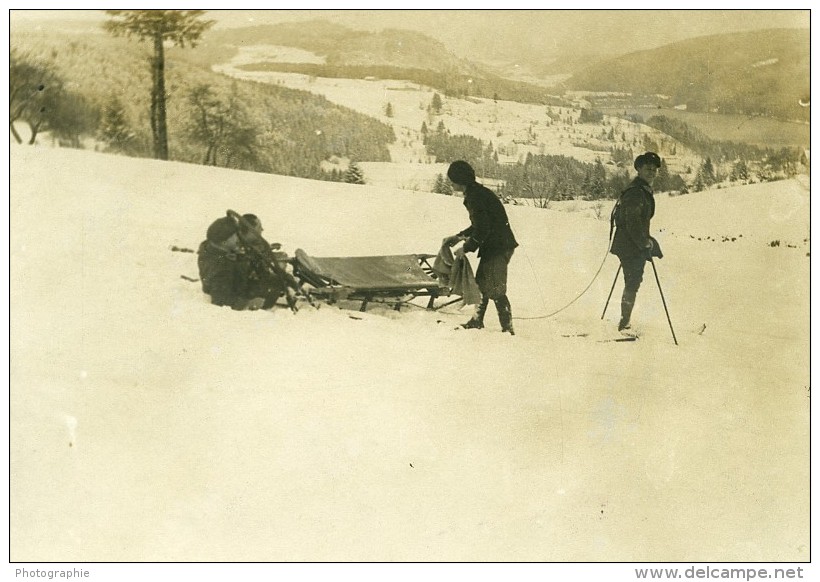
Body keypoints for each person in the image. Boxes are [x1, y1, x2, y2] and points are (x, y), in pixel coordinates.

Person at [442, 160, 519, 334]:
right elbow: (480, 225)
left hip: (498, 247)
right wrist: (459, 236)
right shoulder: (477, 193)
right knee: (482, 284)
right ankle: (477, 321)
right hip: (495, 245)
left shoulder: (475, 197)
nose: (451, 183)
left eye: (452, 180)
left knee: (496, 288)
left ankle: (507, 329)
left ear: (460, 181)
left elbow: (483, 228)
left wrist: (466, 248)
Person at [609, 151, 664, 331]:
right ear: (639, 169)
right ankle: (624, 324)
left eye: (654, 169)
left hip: (631, 243)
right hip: (630, 244)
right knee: (632, 281)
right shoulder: (636, 192)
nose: (652, 172)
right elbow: (632, 221)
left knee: (632, 280)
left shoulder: (642, 190)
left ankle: (625, 321)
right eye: (648, 168)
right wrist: (644, 242)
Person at [197, 213, 289, 310]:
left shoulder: (217, 247)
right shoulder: (221, 268)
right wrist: (249, 303)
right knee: (274, 284)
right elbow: (221, 302)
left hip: (235, 281)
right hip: (235, 291)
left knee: (275, 278)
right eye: (235, 236)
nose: (239, 238)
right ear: (225, 240)